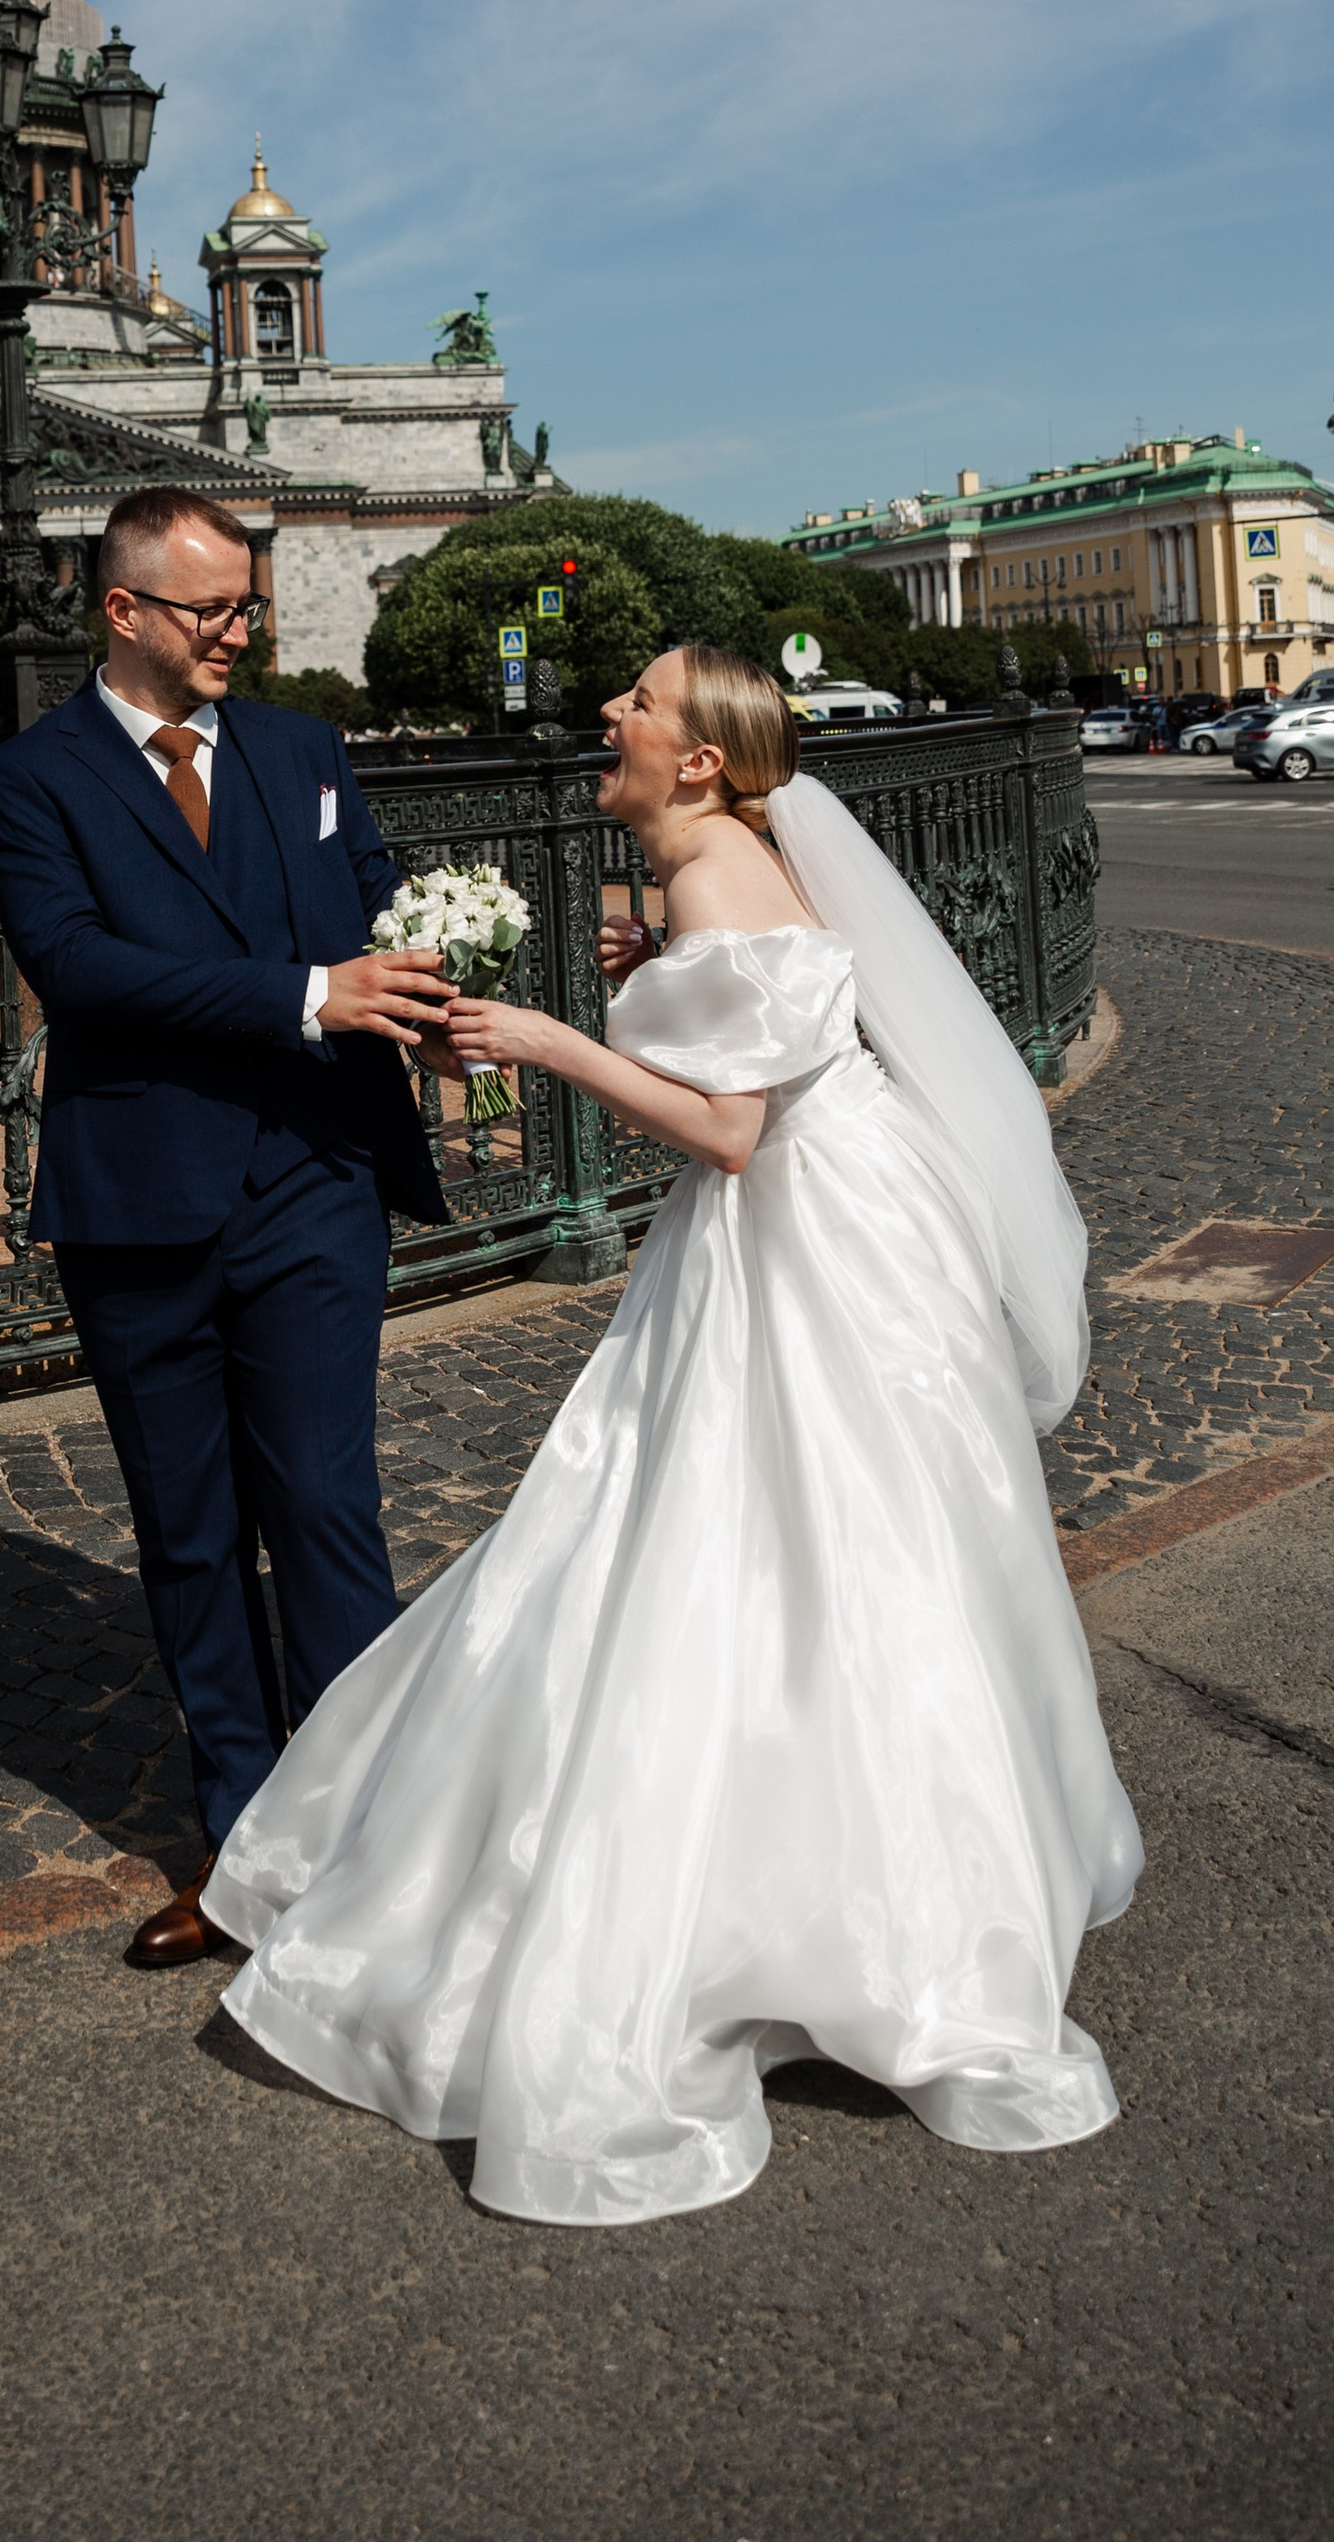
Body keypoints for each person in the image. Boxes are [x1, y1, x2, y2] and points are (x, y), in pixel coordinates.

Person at [207, 644, 1142, 2226]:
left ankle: (794, 1917)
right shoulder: (743, 859)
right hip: (852, 1212)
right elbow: (795, 1002)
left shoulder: (721, 879)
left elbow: (725, 1130)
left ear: (699, 762)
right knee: (844, 1544)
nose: (610, 722)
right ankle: (902, 1890)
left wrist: (552, 1037)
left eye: (635, 706)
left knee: (740, 1531)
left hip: (804, 1235)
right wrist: (657, 969)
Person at [0, 486, 451, 1969]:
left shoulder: (306, 752)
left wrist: (433, 988)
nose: (241, 632)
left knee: (321, 1508)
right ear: (121, 612)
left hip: (315, 1179)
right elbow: (78, 967)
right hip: (143, 1205)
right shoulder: (32, 778)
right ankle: (245, 1858)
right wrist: (310, 998)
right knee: (189, 1538)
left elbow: (372, 905)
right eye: (211, 611)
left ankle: (376, 1838)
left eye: (249, 606)